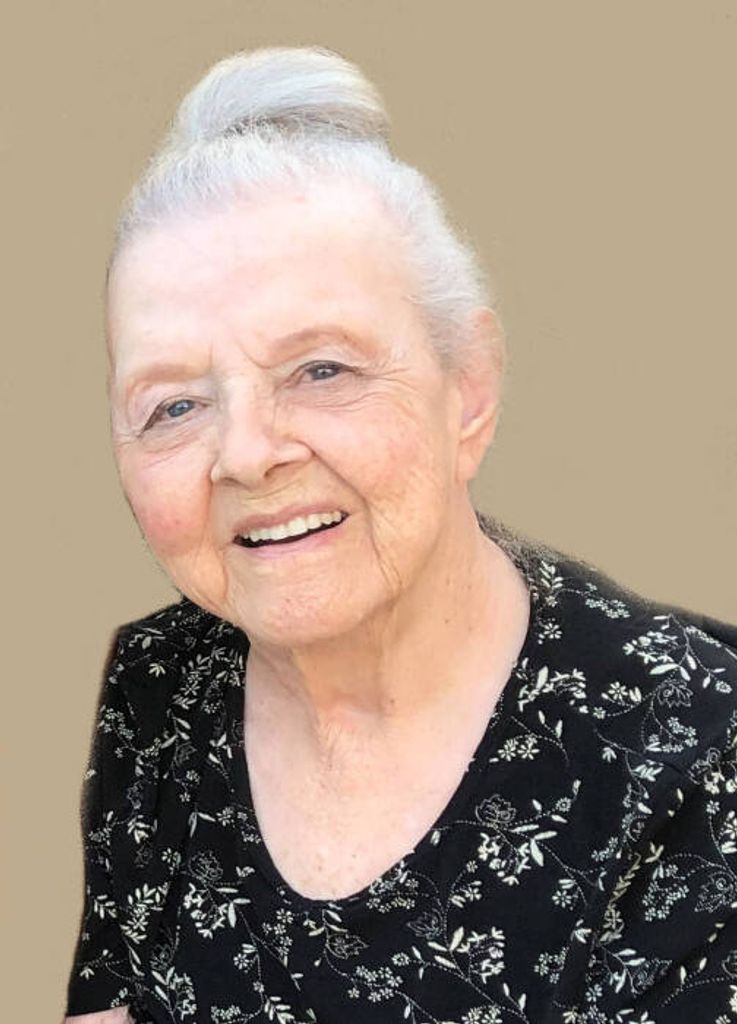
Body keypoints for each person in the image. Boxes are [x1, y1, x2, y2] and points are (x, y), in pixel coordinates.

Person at [63, 46, 737, 1024]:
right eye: (172, 406)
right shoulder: (159, 687)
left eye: (321, 370)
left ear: (469, 390)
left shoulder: (698, 751)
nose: (244, 455)